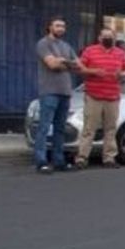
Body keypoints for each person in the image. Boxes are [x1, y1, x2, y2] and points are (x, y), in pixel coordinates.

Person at [33, 17, 91, 173]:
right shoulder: (43, 44)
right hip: (49, 91)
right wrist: (68, 63)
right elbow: (52, 65)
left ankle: (59, 161)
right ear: (49, 27)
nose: (61, 28)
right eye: (57, 26)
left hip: (65, 92)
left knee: (60, 129)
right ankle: (41, 161)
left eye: (63, 26)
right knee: (44, 127)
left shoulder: (66, 46)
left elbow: (79, 66)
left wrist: (63, 62)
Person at [75, 28, 125, 169]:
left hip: (112, 96)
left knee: (110, 128)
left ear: (114, 39)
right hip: (94, 95)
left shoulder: (120, 53)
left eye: (110, 37)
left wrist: (123, 74)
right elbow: (79, 68)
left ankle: (109, 158)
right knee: (89, 128)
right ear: (99, 38)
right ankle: (82, 158)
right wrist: (94, 71)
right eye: (105, 36)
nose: (108, 39)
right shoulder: (89, 51)